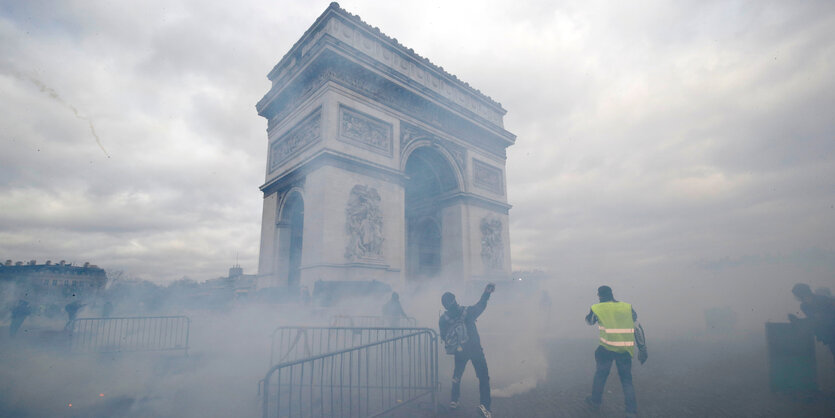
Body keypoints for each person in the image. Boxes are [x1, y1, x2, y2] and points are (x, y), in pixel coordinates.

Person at [584, 286, 647, 418]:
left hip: (606, 349)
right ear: (612, 294)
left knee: (601, 375)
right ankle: (631, 411)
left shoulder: (597, 308)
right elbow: (638, 328)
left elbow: (589, 322)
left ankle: (595, 401)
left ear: (599, 296)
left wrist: (591, 313)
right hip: (624, 350)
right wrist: (642, 348)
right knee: (626, 380)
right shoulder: (627, 307)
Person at [439, 283, 495, 418]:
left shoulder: (443, 319)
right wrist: (486, 293)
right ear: (455, 300)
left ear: (444, 305)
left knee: (457, 376)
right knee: (483, 378)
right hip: (475, 349)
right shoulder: (467, 312)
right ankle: (485, 406)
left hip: (459, 351)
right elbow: (481, 305)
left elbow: (443, 336)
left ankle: (454, 400)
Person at [788, 283, 835, 361]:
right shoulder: (804, 306)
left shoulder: (824, 300)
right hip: (829, 335)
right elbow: (814, 320)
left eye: (797, 295)